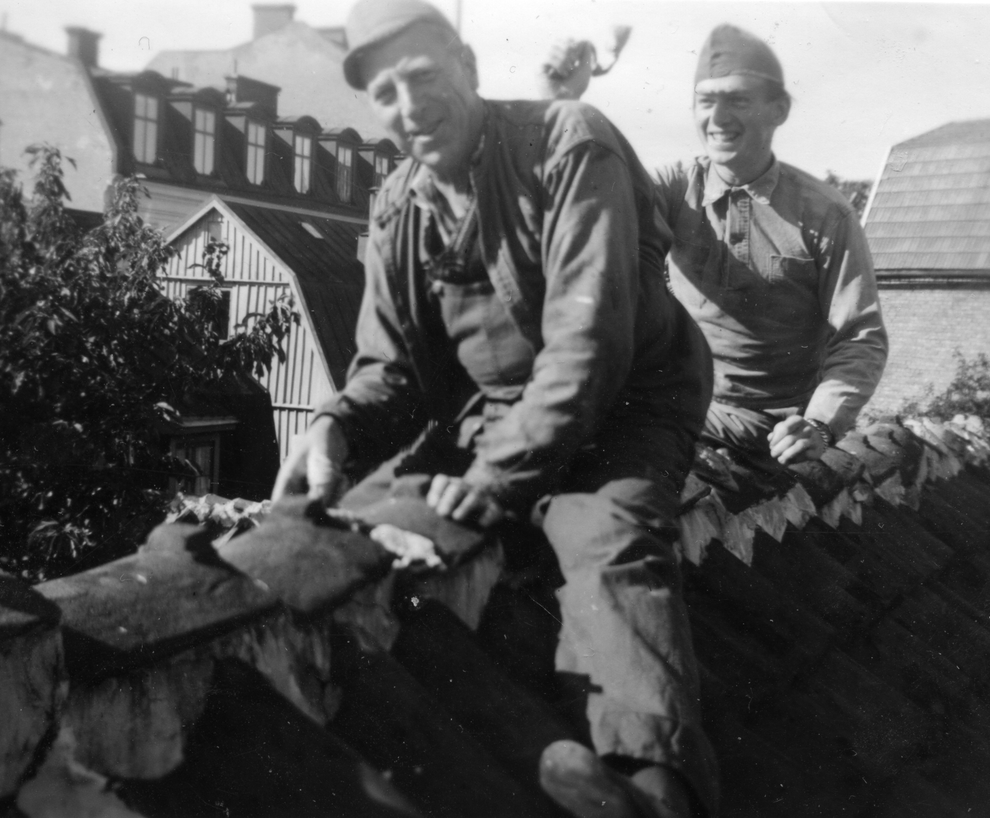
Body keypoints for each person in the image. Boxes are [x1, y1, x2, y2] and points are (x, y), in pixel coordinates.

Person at [272, 1, 719, 815]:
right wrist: (335, 424)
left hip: (629, 404)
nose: (410, 107)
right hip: (494, 417)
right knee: (362, 537)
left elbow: (590, 342)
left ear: (469, 69)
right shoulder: (398, 204)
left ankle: (656, 787)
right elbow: (389, 367)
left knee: (606, 542)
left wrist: (497, 478)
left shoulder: (568, 142)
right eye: (385, 94)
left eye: (423, 76)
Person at [543, 24, 889, 465]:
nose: (719, 119)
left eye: (738, 100)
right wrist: (561, 102)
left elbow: (860, 335)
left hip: (770, 425)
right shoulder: (675, 187)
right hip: (681, 397)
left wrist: (820, 423)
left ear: (779, 110)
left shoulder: (826, 214)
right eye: (706, 101)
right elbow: (586, 211)